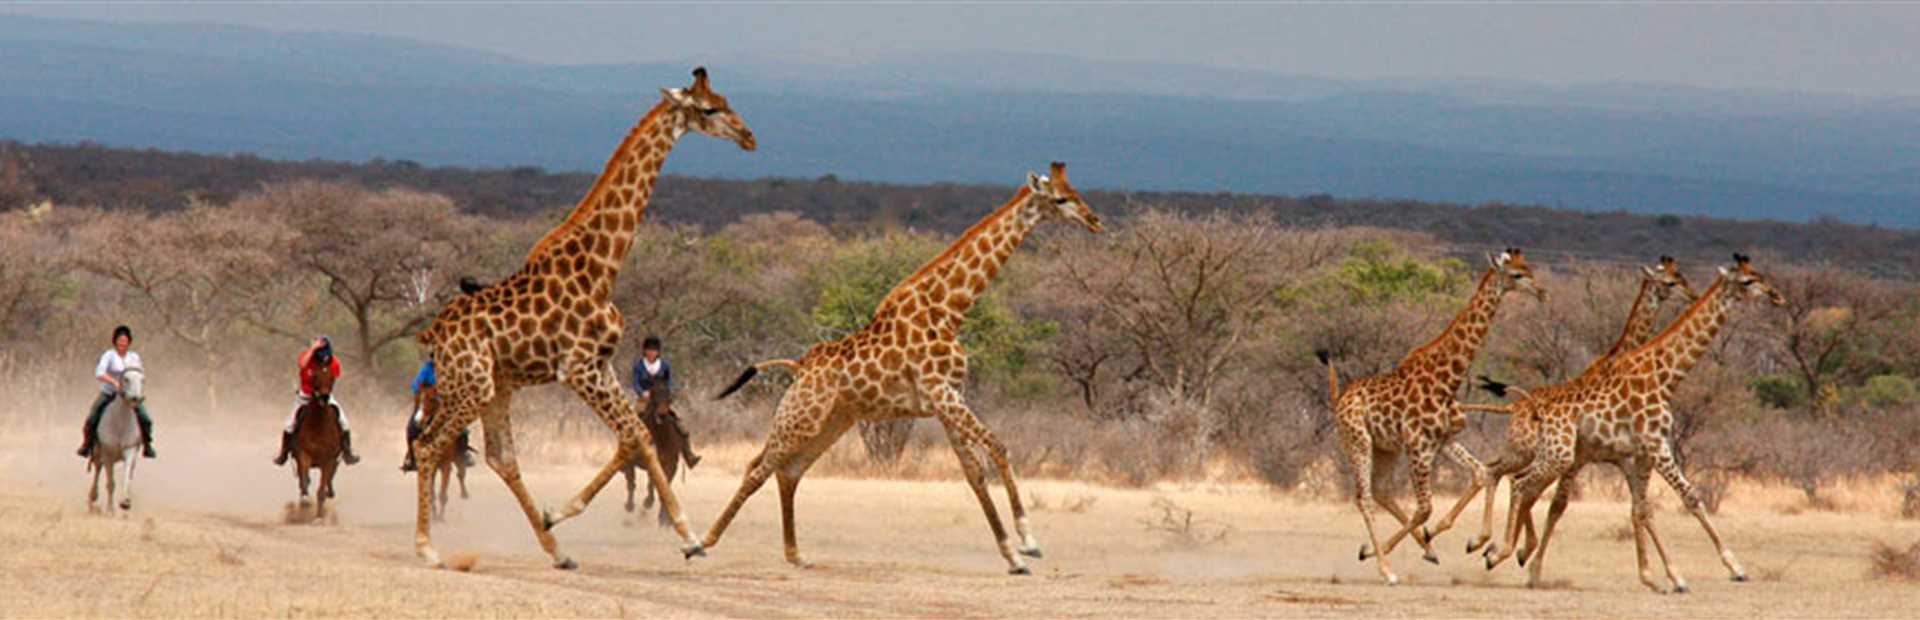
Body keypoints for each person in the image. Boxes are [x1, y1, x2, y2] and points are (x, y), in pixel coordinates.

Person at [274, 336, 359, 466]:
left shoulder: (334, 362)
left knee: (344, 422)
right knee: (289, 425)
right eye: (320, 354)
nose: (323, 358)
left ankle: (347, 452)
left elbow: (332, 378)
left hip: (325, 396)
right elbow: (301, 364)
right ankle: (284, 453)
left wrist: (324, 392)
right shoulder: (307, 358)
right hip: (305, 397)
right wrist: (313, 349)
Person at [77, 325, 156, 459]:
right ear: (115, 341)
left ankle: (147, 445)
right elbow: (99, 373)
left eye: (125, 341)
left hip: (129, 396)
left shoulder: (134, 357)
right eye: (120, 341)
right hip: (110, 393)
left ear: (129, 342)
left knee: (146, 419)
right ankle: (87, 445)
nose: (122, 344)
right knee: (92, 417)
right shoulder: (109, 355)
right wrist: (113, 382)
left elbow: (140, 374)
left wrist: (137, 389)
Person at [631, 336, 699, 468]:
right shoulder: (639, 366)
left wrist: (667, 395)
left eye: (654, 350)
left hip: (661, 399)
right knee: (632, 424)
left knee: (680, 425)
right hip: (645, 400)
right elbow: (635, 383)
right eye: (649, 350)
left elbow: (669, 383)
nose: (651, 353)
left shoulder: (664, 366)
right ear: (644, 351)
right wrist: (642, 392)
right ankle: (629, 456)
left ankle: (689, 455)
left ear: (658, 352)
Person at [400, 358, 474, 472]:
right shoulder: (427, 370)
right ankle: (412, 458)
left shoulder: (451, 369)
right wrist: (422, 394)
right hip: (428, 406)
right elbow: (416, 386)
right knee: (411, 428)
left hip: (448, 406)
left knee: (463, 430)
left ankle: (463, 454)